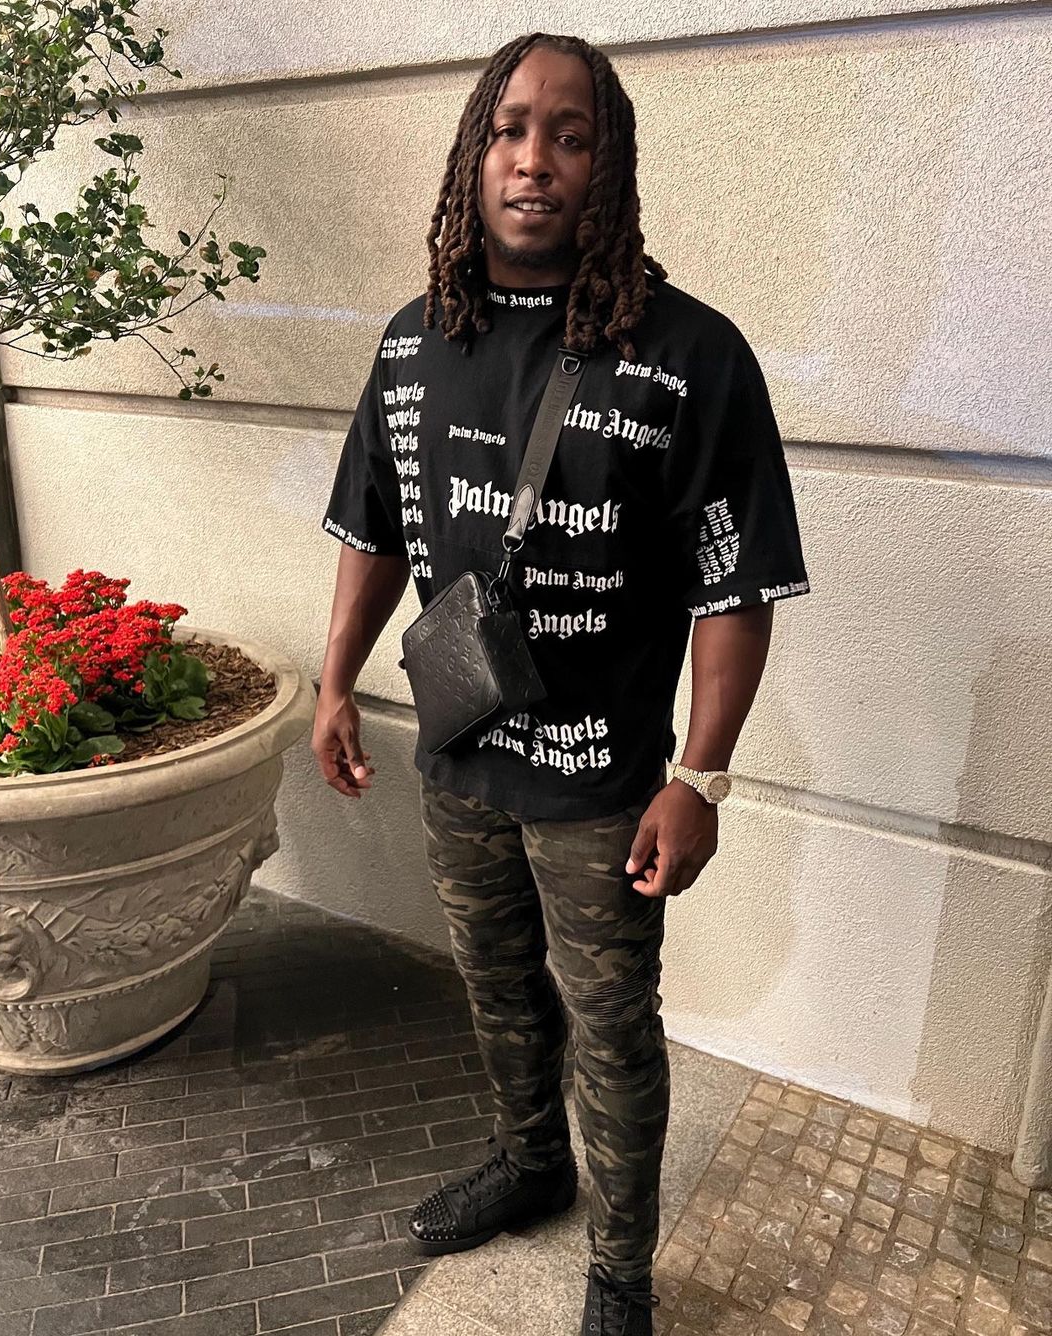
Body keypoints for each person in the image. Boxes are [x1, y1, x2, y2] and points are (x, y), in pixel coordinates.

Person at [313, 31, 809, 1336]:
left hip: (601, 783)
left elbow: (732, 586)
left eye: (570, 135)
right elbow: (376, 527)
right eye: (511, 129)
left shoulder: (692, 355)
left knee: (612, 1023)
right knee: (494, 984)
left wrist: (700, 778)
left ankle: (621, 1273)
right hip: (461, 752)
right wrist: (334, 682)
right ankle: (532, 1164)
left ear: (608, 165)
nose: (535, 159)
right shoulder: (414, 342)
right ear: (475, 153)